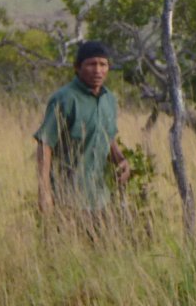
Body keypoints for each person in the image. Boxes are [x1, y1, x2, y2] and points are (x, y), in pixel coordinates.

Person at [34, 41, 130, 220]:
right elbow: (45, 145)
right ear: (77, 67)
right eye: (91, 64)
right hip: (68, 199)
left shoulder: (109, 99)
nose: (98, 70)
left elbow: (107, 137)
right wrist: (44, 193)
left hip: (101, 198)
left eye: (103, 64)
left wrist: (121, 160)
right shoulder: (64, 99)